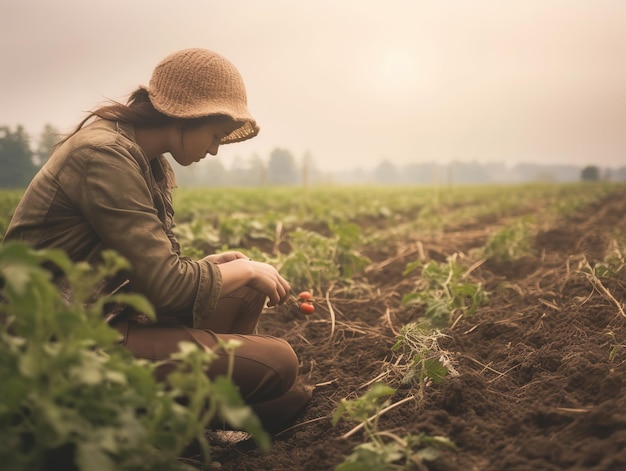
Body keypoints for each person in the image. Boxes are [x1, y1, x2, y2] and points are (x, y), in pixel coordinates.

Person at [3, 48, 312, 434]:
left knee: (247, 293)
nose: (215, 149)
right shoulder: (102, 155)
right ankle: (158, 422)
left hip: (110, 313)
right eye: (214, 135)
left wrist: (218, 268)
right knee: (279, 363)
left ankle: (193, 413)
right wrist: (245, 268)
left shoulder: (147, 160)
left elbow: (156, 278)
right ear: (186, 116)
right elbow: (167, 291)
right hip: (59, 343)